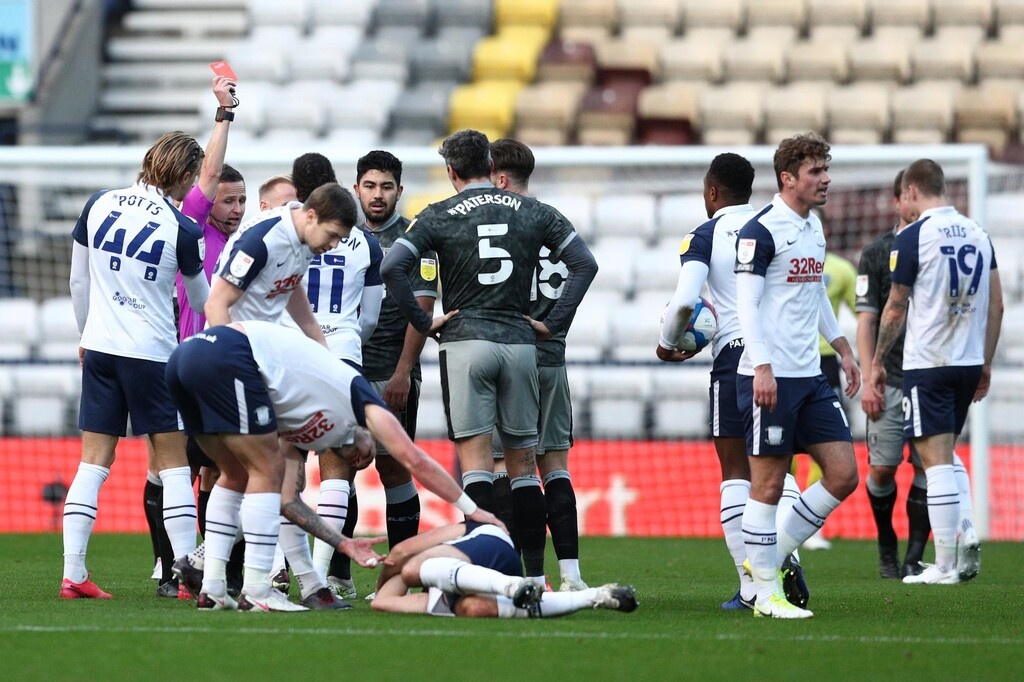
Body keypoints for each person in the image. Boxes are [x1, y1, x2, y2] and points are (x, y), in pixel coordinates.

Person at [380, 129, 598, 592]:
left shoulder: (437, 214)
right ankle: (537, 577)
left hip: (465, 343)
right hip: (522, 345)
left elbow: (391, 267)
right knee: (524, 469)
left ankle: (483, 574)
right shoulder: (534, 210)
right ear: (488, 164)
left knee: (478, 467)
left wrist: (424, 323)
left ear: (452, 172)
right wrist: (554, 323)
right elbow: (585, 263)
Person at [165, 320, 502, 611]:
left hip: (187, 358)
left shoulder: (297, 423)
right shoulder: (360, 399)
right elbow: (415, 459)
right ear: (368, 432)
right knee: (263, 473)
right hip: (225, 353)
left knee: (237, 476)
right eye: (369, 454)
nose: (362, 460)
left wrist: (344, 543)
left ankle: (212, 590)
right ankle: (258, 591)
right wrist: (473, 510)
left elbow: (285, 502)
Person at [62, 131, 209, 599]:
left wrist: (86, 335)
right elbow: (202, 301)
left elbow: (77, 281)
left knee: (92, 463)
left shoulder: (98, 204)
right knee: (172, 466)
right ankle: (187, 579)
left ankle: (74, 575)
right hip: (151, 354)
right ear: (185, 176)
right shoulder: (183, 228)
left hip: (100, 348)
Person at [734, 133, 861, 619]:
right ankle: (765, 596)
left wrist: (845, 348)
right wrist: (761, 365)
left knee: (844, 474)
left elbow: (814, 298)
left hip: (810, 375)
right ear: (788, 178)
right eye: (816, 172)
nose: (826, 179)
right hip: (771, 376)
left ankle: (768, 557)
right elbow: (747, 305)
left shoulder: (814, 227)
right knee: (767, 485)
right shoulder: (761, 231)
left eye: (826, 170)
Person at [869, 158, 1003, 586]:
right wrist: (985, 361)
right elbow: (997, 304)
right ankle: (965, 535)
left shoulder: (913, 236)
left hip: (928, 363)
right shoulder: (979, 234)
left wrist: (875, 362)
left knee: (933, 462)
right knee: (946, 455)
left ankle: (945, 564)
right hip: (966, 362)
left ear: (910, 192)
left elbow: (895, 306)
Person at [658, 152, 772, 611]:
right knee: (774, 468)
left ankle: (751, 588)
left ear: (711, 191)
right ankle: (785, 566)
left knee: (736, 474)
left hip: (735, 354)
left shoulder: (704, 235)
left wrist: (667, 344)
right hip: (779, 353)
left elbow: (686, 300)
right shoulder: (772, 223)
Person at [321, 150, 437, 600]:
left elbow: (422, 308)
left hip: (391, 371)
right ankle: (337, 573)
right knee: (340, 468)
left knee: (394, 469)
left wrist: (404, 371)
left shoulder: (415, 239)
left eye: (386, 187)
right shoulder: (337, 232)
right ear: (356, 189)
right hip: (340, 368)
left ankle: (394, 578)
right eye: (370, 186)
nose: (377, 195)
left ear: (399, 191)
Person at [143, 75, 239, 598]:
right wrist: (225, 115)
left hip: (217, 361)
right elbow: (209, 172)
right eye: (228, 197)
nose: (234, 205)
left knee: (210, 468)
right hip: (182, 356)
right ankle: (170, 565)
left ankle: (201, 566)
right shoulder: (190, 225)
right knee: (168, 465)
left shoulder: (241, 240)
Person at [280, 152, 385, 601]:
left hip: (290, 351)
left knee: (283, 463)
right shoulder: (365, 243)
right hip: (342, 352)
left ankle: (281, 571)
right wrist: (342, 335)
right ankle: (322, 577)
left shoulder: (286, 228)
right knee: (338, 467)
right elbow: (372, 319)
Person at [489, 138, 587, 591]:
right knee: (556, 468)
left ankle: (519, 575)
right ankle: (571, 577)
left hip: (508, 356)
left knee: (505, 470)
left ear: (501, 178)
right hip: (550, 358)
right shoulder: (554, 220)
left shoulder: (493, 220)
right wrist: (555, 325)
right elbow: (584, 264)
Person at [856, 170, 931, 579]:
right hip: (890, 378)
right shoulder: (877, 252)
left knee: (927, 466)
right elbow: (867, 319)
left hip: (930, 376)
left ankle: (914, 557)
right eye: (907, 196)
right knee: (882, 467)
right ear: (896, 200)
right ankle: (887, 542)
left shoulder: (937, 247)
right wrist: (871, 375)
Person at [370, 521, 637, 618]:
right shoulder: (433, 587)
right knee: (471, 609)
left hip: (492, 541)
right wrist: (381, 592)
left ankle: (510, 586)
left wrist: (381, 581)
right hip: (484, 573)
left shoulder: (464, 530)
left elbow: (400, 553)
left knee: (412, 569)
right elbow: (382, 603)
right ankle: (597, 596)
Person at [798, 246, 858, 552]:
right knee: (784, 446)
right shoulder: (782, 260)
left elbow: (862, 310)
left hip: (825, 361)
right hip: (790, 358)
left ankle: (810, 525)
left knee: (825, 443)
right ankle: (788, 514)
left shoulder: (841, 269)